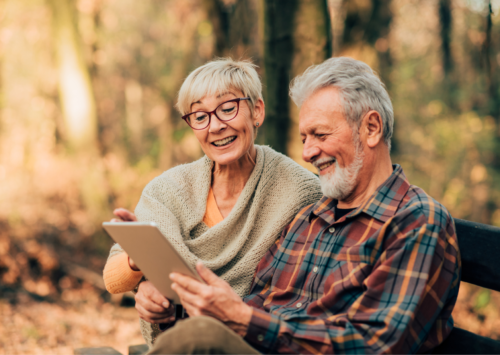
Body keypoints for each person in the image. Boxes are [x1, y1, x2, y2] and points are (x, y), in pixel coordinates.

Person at [147, 57, 461, 354]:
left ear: (371, 128)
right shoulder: (312, 216)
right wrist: (175, 310)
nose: (308, 153)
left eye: (320, 135)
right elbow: (258, 300)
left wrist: (242, 319)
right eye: (304, 139)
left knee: (197, 339)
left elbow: (373, 345)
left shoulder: (415, 221)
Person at [102, 58, 323, 347]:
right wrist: (142, 269)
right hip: (180, 342)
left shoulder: (301, 191)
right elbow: (113, 279)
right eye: (200, 116)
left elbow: (302, 293)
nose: (215, 126)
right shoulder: (168, 189)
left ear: (257, 111)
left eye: (227, 109)